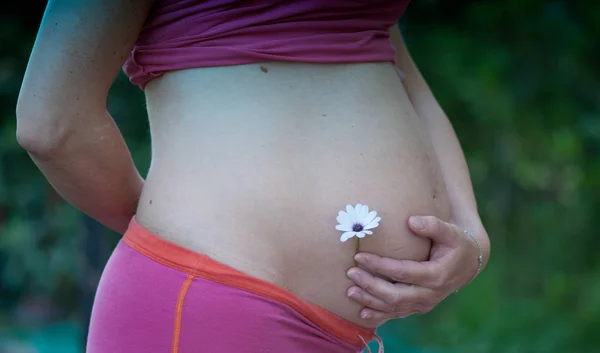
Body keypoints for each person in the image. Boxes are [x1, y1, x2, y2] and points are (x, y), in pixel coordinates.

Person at [16, 0, 490, 352]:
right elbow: (52, 123)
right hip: (214, 303)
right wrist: (184, 247)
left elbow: (396, 65)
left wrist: (471, 236)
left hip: (345, 329)